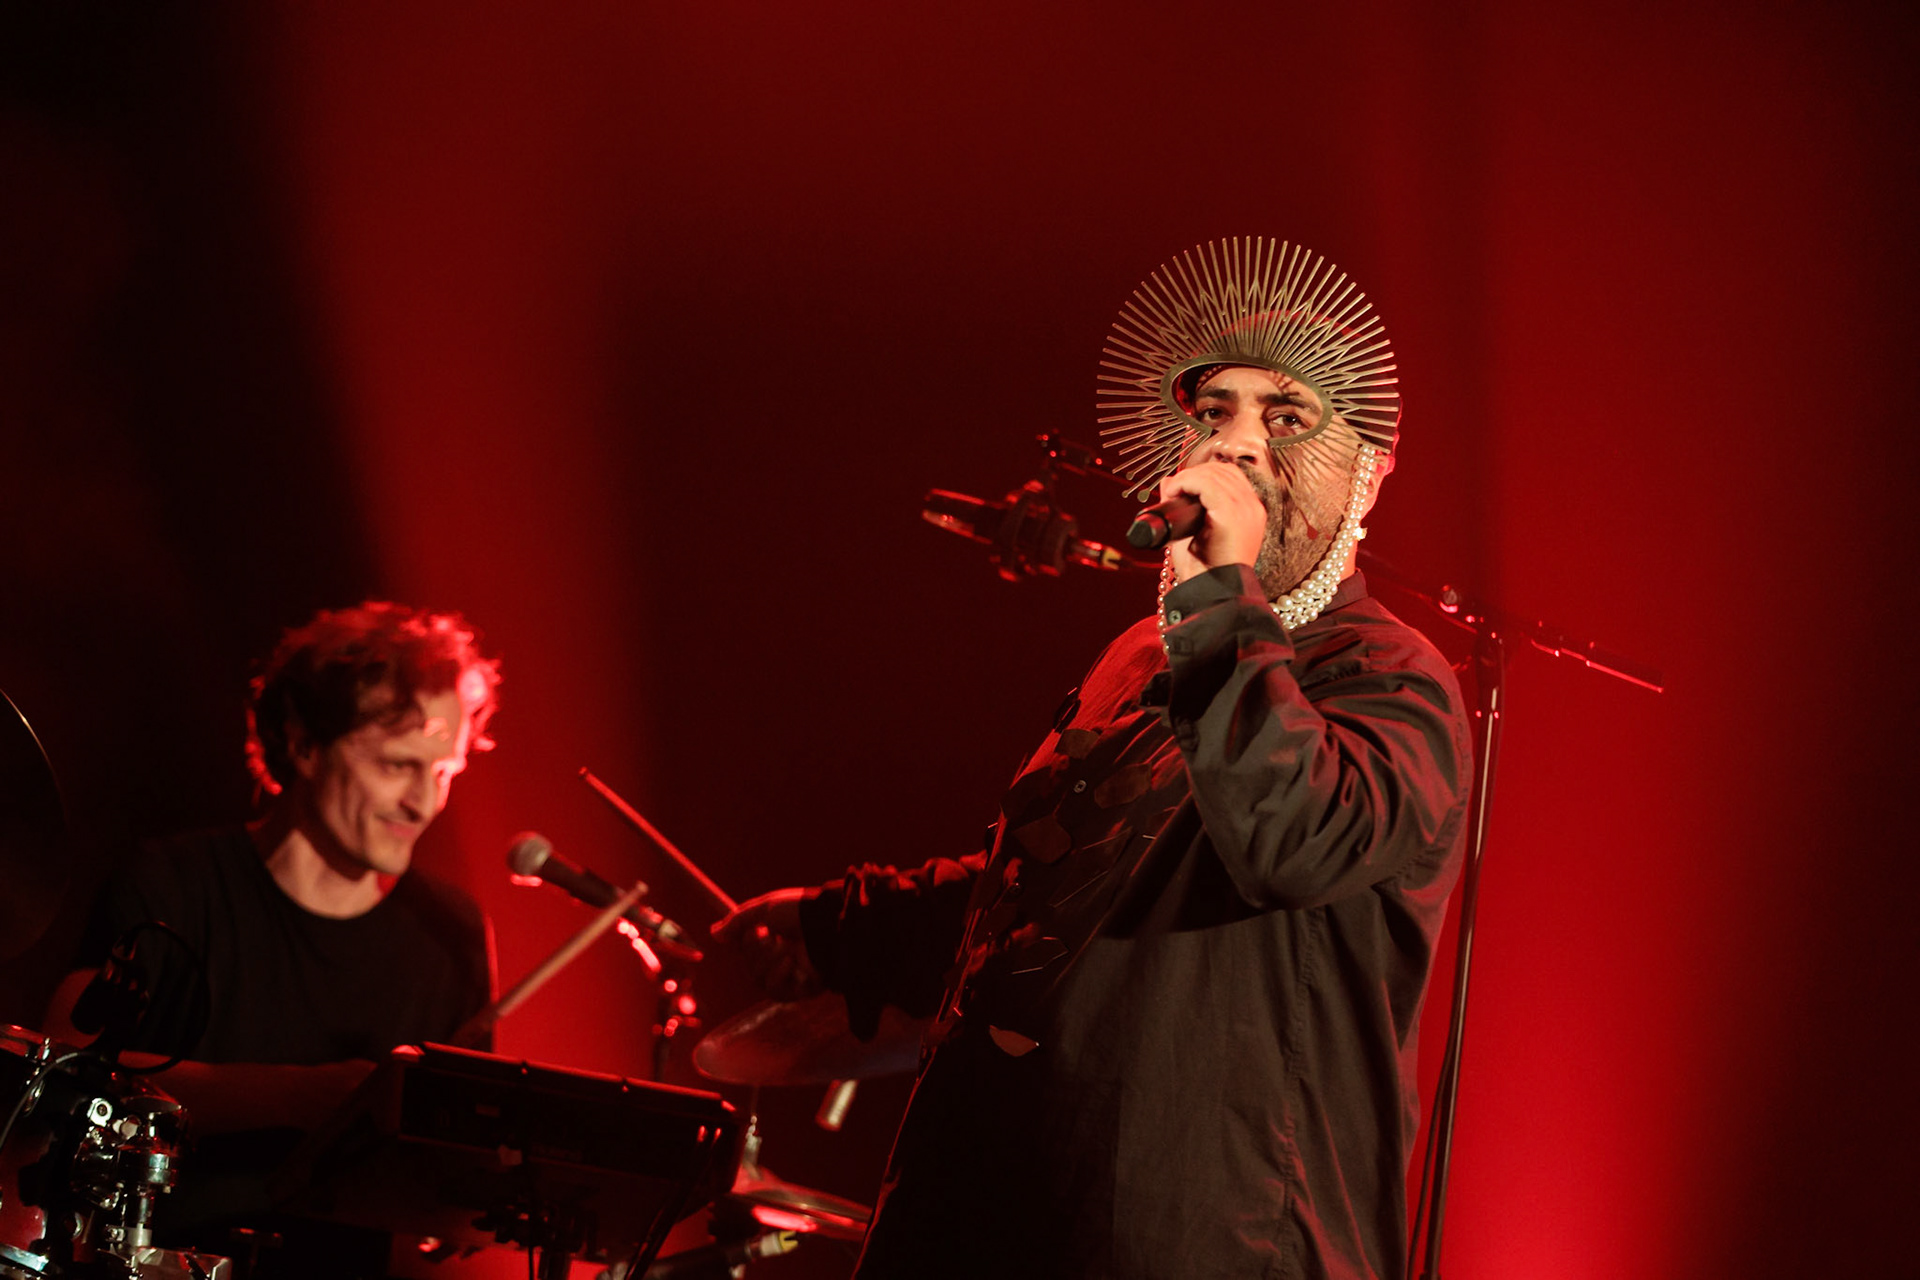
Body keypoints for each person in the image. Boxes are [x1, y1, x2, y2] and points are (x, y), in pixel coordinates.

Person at [714, 239, 1473, 1280]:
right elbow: (1045, 890)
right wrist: (842, 925)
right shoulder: (1139, 655)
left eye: (1287, 418)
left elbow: (1289, 835)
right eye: (1215, 413)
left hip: (1216, 1239)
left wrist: (1219, 600)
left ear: (1371, 475)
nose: (1239, 447)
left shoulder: (1392, 679)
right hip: (1002, 1219)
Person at [41, 600, 503, 1270]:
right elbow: (61, 1069)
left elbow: (464, 1158)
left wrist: (461, 1193)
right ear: (304, 742)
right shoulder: (171, 885)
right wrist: (296, 1096)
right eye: (398, 765)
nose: (425, 802)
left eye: (444, 772)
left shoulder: (450, 933)